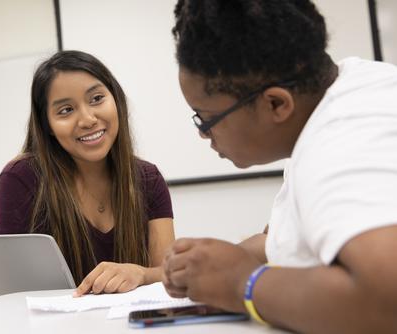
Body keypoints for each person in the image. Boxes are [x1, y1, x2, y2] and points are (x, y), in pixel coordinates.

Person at [162, 1, 397, 333]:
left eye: (206, 118)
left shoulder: (341, 142)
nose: (203, 134)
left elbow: (386, 301)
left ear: (275, 103)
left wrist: (243, 282)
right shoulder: (353, 87)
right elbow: (291, 240)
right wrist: (211, 263)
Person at [0, 50, 175, 296]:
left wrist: (141, 274)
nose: (88, 119)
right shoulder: (22, 178)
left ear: (116, 99)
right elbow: (7, 292)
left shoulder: (147, 178)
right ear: (47, 124)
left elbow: (169, 274)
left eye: (97, 98)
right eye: (66, 110)